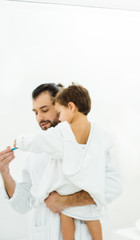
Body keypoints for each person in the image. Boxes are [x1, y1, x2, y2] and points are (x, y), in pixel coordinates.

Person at [0, 83, 122, 239]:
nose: (39, 118)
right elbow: (23, 204)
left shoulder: (91, 144)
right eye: (35, 112)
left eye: (44, 110)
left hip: (85, 227)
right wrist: (5, 172)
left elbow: (114, 186)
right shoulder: (35, 154)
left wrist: (66, 201)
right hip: (46, 232)